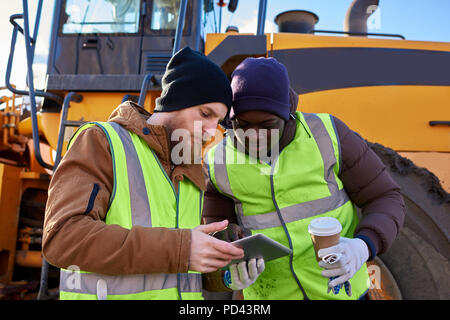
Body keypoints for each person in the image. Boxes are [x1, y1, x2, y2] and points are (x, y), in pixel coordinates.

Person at [42, 47, 264, 300]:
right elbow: (62, 239)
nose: (211, 131)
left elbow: (180, 271)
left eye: (219, 121)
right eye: (205, 114)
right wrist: (182, 249)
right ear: (176, 101)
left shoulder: (192, 171)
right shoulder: (102, 141)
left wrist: (226, 275)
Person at [203, 57, 406, 300]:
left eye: (268, 125)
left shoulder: (328, 135)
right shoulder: (218, 160)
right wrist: (228, 265)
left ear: (288, 113)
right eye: (242, 125)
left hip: (341, 293)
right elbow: (219, 228)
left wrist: (363, 246)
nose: (254, 137)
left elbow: (385, 197)